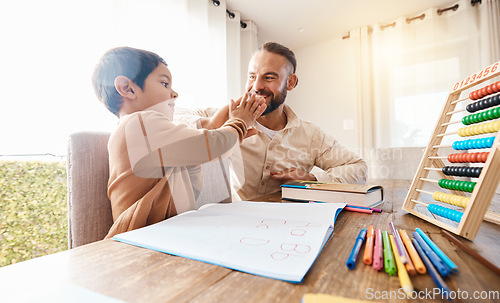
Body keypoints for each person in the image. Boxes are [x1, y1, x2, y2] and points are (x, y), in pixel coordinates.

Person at [91, 46, 266, 238]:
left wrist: (234, 119)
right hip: (140, 239)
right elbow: (212, 144)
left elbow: (205, 140)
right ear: (128, 88)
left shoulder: (146, 132)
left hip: (163, 234)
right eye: (165, 84)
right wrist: (239, 122)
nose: (174, 94)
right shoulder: (139, 123)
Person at [175, 42, 367, 200]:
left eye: (268, 77)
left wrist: (312, 178)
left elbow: (358, 168)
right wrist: (219, 123)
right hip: (237, 223)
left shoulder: (311, 135)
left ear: (290, 83)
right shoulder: (227, 118)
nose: (256, 87)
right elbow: (173, 117)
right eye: (252, 77)